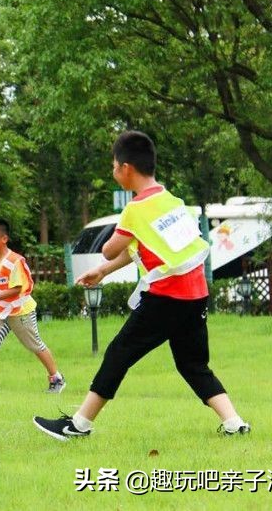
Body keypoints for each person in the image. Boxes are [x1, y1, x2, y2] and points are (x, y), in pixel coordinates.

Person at [33, 131, 250, 440]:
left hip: (166, 298)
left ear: (126, 168)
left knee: (118, 353)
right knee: (193, 364)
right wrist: (104, 271)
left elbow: (111, 247)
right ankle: (234, 422)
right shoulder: (170, 200)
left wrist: (107, 254)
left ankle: (79, 425)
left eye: (113, 166)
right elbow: (142, 247)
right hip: (196, 296)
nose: (112, 171)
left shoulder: (135, 210)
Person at [0, 219, 65, 392]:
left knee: (34, 345)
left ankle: (57, 378)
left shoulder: (16, 261)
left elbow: (17, 289)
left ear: (4, 239)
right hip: (0, 311)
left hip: (21, 311)